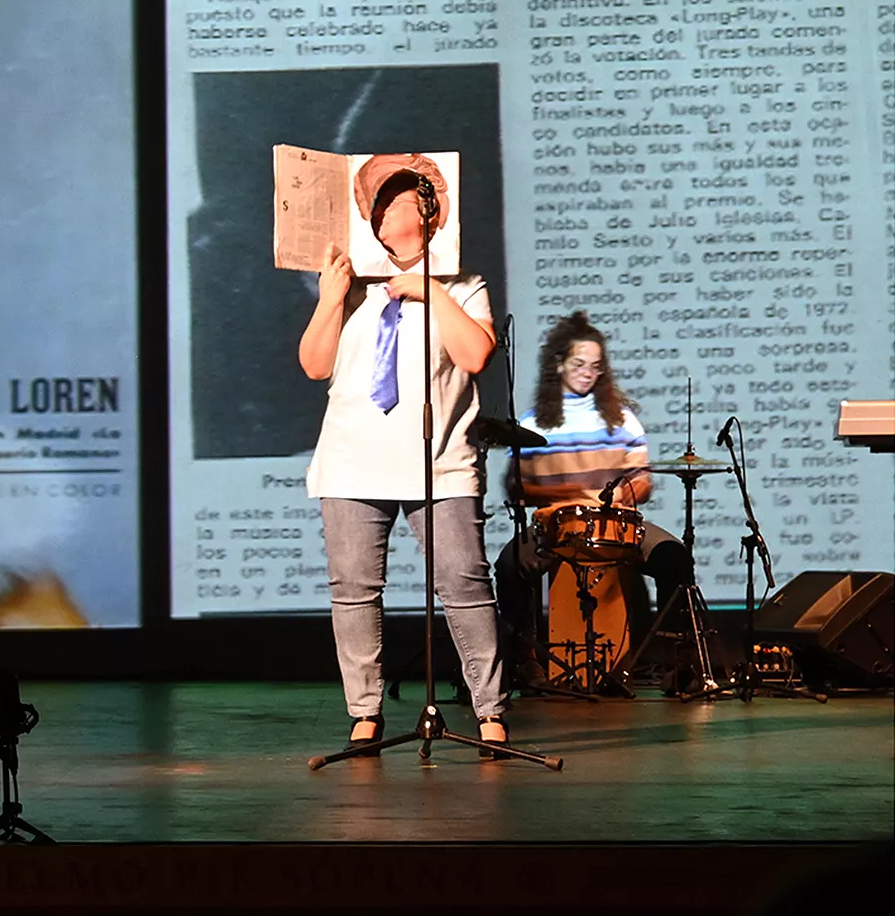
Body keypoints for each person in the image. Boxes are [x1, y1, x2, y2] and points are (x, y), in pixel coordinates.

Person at [298, 153, 511, 755]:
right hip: (351, 458)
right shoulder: (353, 286)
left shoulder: (464, 284)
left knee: (464, 583)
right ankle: (364, 713)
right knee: (354, 587)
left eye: (401, 198)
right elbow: (315, 365)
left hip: (437, 459)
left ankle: (489, 712)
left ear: (429, 210)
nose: (388, 209)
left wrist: (429, 291)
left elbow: (474, 356)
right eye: (380, 200)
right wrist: (329, 297)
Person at [496, 311, 695, 685]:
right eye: (579, 364)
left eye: (595, 366)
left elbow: (643, 482)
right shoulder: (533, 423)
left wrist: (621, 493)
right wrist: (573, 495)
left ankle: (674, 660)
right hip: (555, 527)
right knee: (509, 567)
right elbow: (517, 489)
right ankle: (524, 660)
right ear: (558, 364)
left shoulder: (621, 420)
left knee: (674, 557)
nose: (588, 372)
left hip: (617, 524)